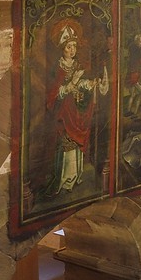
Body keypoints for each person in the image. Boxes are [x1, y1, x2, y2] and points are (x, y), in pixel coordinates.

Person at [45, 22, 111, 195]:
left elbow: (81, 83)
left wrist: (89, 83)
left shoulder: (77, 66)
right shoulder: (57, 68)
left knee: (76, 145)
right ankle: (65, 180)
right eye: (69, 47)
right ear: (62, 48)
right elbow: (54, 92)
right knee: (66, 143)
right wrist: (70, 85)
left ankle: (75, 177)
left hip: (77, 111)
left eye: (74, 46)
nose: (72, 50)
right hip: (64, 113)